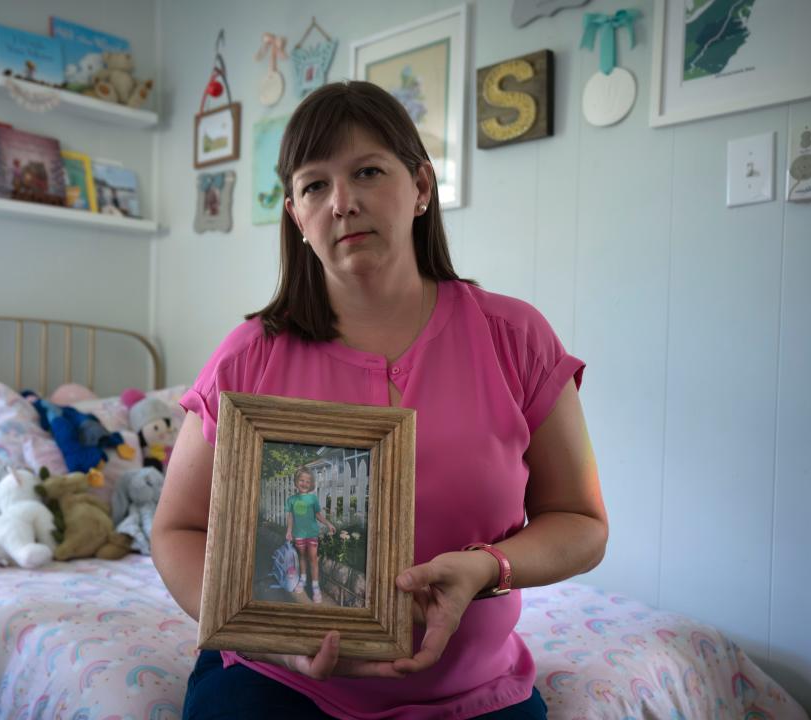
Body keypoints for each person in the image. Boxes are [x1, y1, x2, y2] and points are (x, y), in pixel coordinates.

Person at [153, 80, 607, 719]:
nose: (342, 202)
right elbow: (178, 529)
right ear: (295, 215)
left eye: (368, 171)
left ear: (421, 188)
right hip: (278, 685)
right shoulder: (248, 355)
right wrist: (272, 640)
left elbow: (582, 523)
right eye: (315, 185)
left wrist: (488, 568)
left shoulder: (515, 338)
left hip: (473, 691)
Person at [284, 467, 336, 603]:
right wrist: (289, 531)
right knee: (302, 557)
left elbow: (318, 515)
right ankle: (302, 580)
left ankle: (315, 586)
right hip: (298, 534)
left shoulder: (313, 499)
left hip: (312, 534)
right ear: (296, 482)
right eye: (301, 480)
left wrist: (328, 524)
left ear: (311, 484)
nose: (304, 483)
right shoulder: (291, 500)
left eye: (308, 481)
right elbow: (290, 517)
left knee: (312, 559)